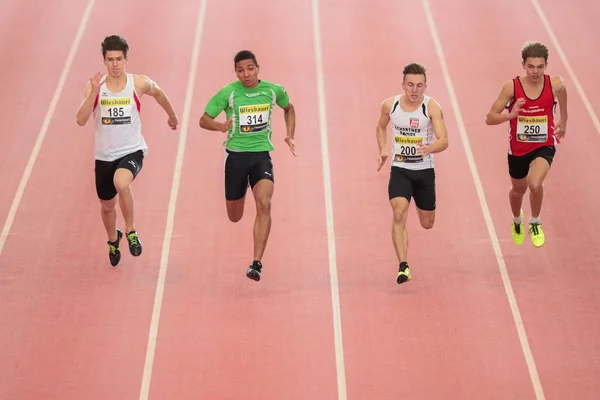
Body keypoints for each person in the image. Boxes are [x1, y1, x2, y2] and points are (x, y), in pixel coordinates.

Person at [75, 35, 179, 266]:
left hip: (132, 150)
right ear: (104, 60)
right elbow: (80, 120)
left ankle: (130, 231)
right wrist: (92, 93)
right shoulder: (96, 88)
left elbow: (159, 93)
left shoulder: (137, 83)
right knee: (107, 205)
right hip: (104, 156)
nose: (114, 64)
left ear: (126, 59)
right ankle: (113, 239)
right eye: (110, 59)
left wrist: (171, 116)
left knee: (122, 183)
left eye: (118, 59)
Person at [199, 50, 296, 282]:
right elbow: (203, 119)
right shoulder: (228, 93)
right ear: (236, 72)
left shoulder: (273, 90)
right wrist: (221, 126)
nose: (246, 74)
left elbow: (289, 108)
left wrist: (289, 135)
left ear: (258, 68)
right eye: (241, 70)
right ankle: (239, 192)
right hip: (235, 158)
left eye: (250, 68)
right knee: (234, 216)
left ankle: (256, 263)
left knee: (264, 204)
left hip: (261, 155)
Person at [485, 41, 567, 248]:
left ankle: (535, 222)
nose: (535, 71)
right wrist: (510, 115)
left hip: (544, 143)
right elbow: (490, 117)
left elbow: (563, 92)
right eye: (531, 66)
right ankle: (517, 220)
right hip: (518, 148)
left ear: (546, 65)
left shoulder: (555, 84)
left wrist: (563, 119)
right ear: (523, 65)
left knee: (535, 184)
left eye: (540, 66)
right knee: (518, 190)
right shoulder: (512, 87)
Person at [376, 62, 449, 284]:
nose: (414, 90)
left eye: (419, 85)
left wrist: (430, 148)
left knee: (427, 223)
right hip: (400, 169)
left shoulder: (432, 107)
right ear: (403, 85)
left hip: (424, 170)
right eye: (410, 85)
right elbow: (380, 127)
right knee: (399, 213)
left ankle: (419, 203)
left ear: (425, 86)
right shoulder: (390, 105)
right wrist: (383, 150)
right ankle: (403, 265)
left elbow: (444, 140)